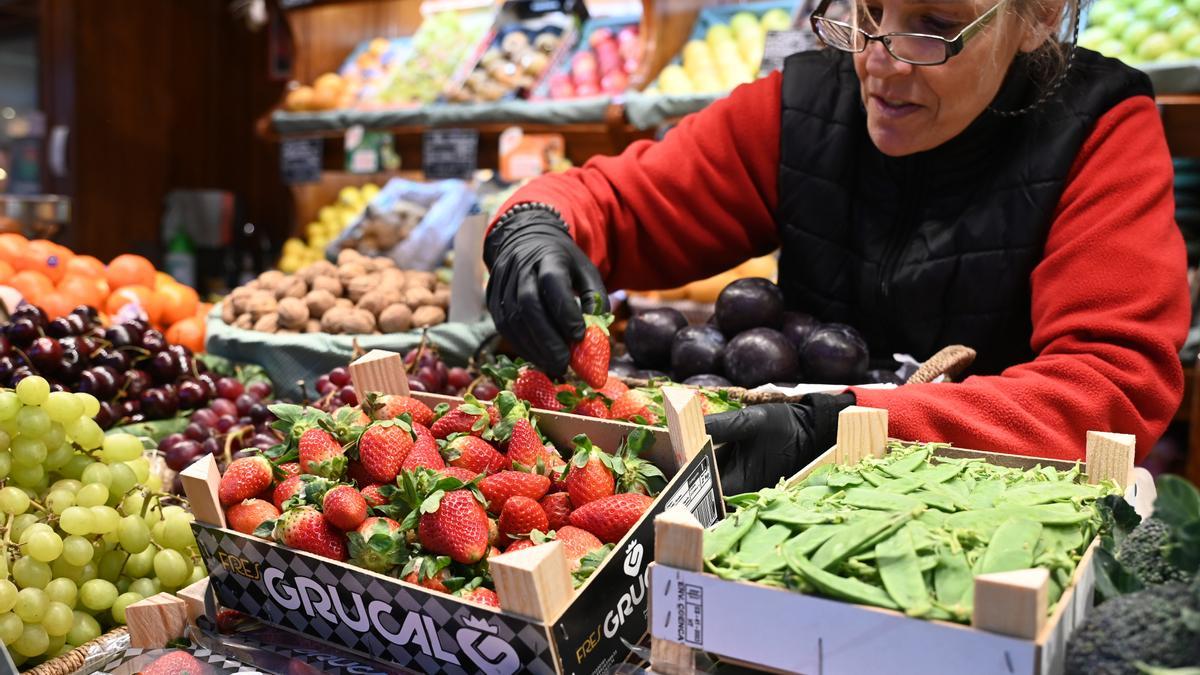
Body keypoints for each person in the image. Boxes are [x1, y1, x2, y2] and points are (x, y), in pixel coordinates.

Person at [483, 0, 1190, 494]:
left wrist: (846, 425)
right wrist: (533, 225)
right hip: (782, 520)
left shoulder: (1099, 127)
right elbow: (620, 201)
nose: (879, 61)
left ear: (1036, 16)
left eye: (934, 26)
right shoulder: (803, 105)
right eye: (868, 12)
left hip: (987, 532)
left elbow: (1109, 386)